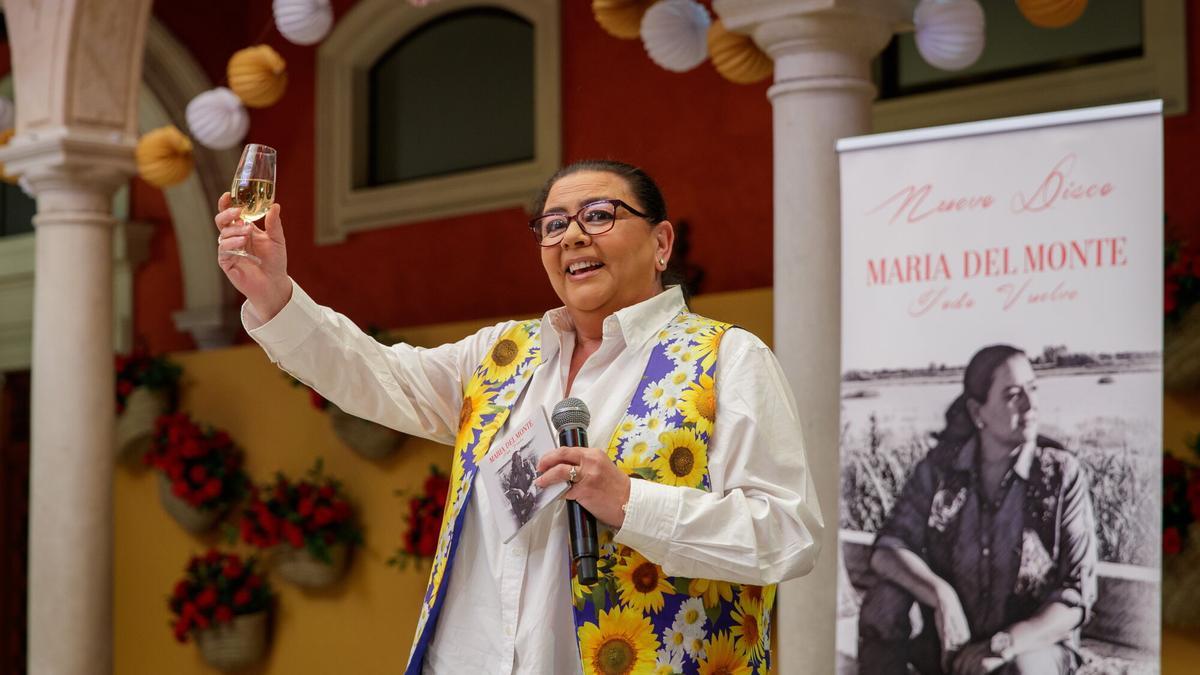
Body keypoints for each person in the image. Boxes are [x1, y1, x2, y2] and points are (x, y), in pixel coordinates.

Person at [214, 159, 823, 674]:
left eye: (600, 216)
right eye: (553, 224)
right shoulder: (501, 354)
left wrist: (631, 503)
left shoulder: (725, 357)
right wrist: (272, 291)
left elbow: (787, 535)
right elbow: (374, 375)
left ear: (661, 243)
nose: (572, 237)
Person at [857, 345, 1097, 675]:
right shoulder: (940, 469)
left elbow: (1077, 594)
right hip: (951, 640)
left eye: (1033, 389)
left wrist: (1005, 644)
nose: (1030, 404)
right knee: (884, 605)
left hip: (1032, 647)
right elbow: (888, 549)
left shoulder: (1060, 475)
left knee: (1022, 670)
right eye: (1013, 395)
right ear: (977, 412)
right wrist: (941, 596)